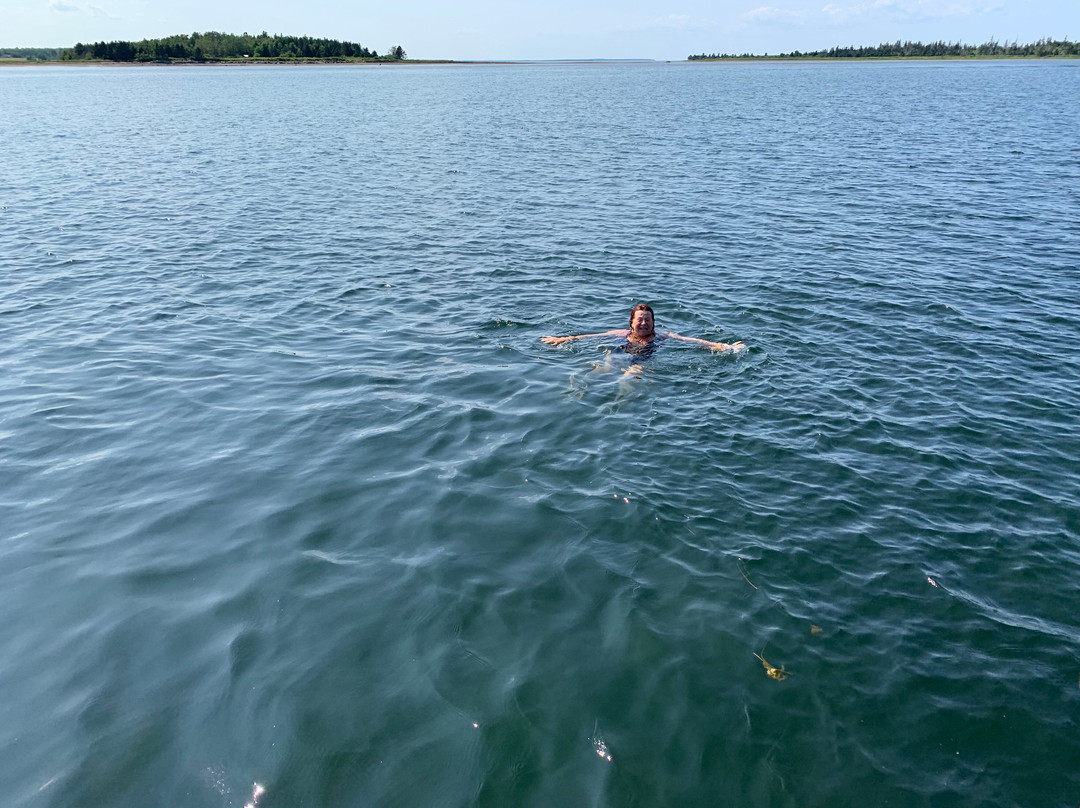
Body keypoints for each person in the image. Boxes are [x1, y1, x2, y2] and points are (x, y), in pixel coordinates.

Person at [541, 303, 745, 353]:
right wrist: (562, 339)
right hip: (621, 352)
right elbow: (590, 336)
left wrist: (722, 346)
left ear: (654, 322)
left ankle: (617, 406)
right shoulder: (621, 334)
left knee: (631, 377)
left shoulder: (663, 336)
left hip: (645, 358)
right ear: (631, 322)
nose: (644, 323)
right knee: (598, 371)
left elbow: (692, 341)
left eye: (648, 319)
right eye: (640, 319)